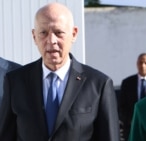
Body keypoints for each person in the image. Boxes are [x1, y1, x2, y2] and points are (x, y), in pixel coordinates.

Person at [0, 2, 119, 141]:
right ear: (34, 36)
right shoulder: (15, 82)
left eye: (59, 33)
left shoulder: (98, 85)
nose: (51, 41)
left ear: (74, 34)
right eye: (43, 33)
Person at [118, 53, 146, 141]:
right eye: (140, 62)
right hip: (131, 128)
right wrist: (131, 120)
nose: (142, 65)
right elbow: (122, 106)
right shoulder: (127, 82)